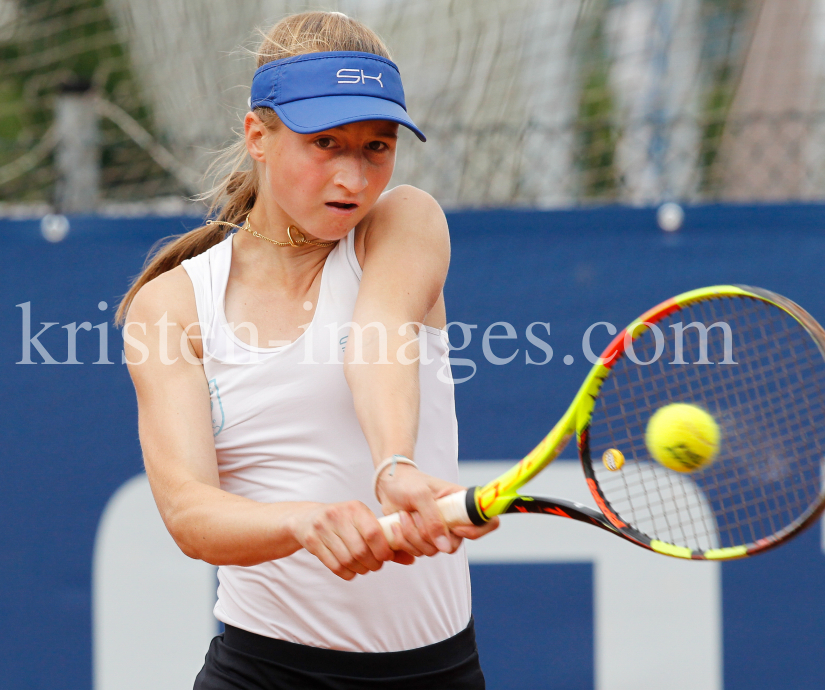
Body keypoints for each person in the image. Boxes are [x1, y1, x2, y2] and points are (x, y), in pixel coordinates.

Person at [116, 11, 498, 690]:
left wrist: (394, 467)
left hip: (440, 672)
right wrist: (304, 523)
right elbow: (189, 511)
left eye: (377, 147)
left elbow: (377, 338)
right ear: (256, 136)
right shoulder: (170, 307)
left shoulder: (406, 222)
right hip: (264, 672)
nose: (353, 178)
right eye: (325, 143)